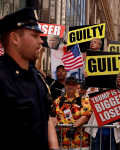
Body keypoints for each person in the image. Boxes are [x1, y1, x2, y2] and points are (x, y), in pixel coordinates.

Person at [0, 8, 59, 149]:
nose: (40, 41)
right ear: (15, 38)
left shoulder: (36, 77)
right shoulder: (3, 78)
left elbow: (47, 119)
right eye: (34, 35)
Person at [53, 77, 91, 149]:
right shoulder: (58, 101)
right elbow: (52, 116)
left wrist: (73, 127)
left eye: (73, 84)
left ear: (76, 86)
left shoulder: (84, 100)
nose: (70, 86)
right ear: (65, 85)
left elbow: (86, 116)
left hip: (80, 144)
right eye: (68, 84)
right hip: (63, 143)